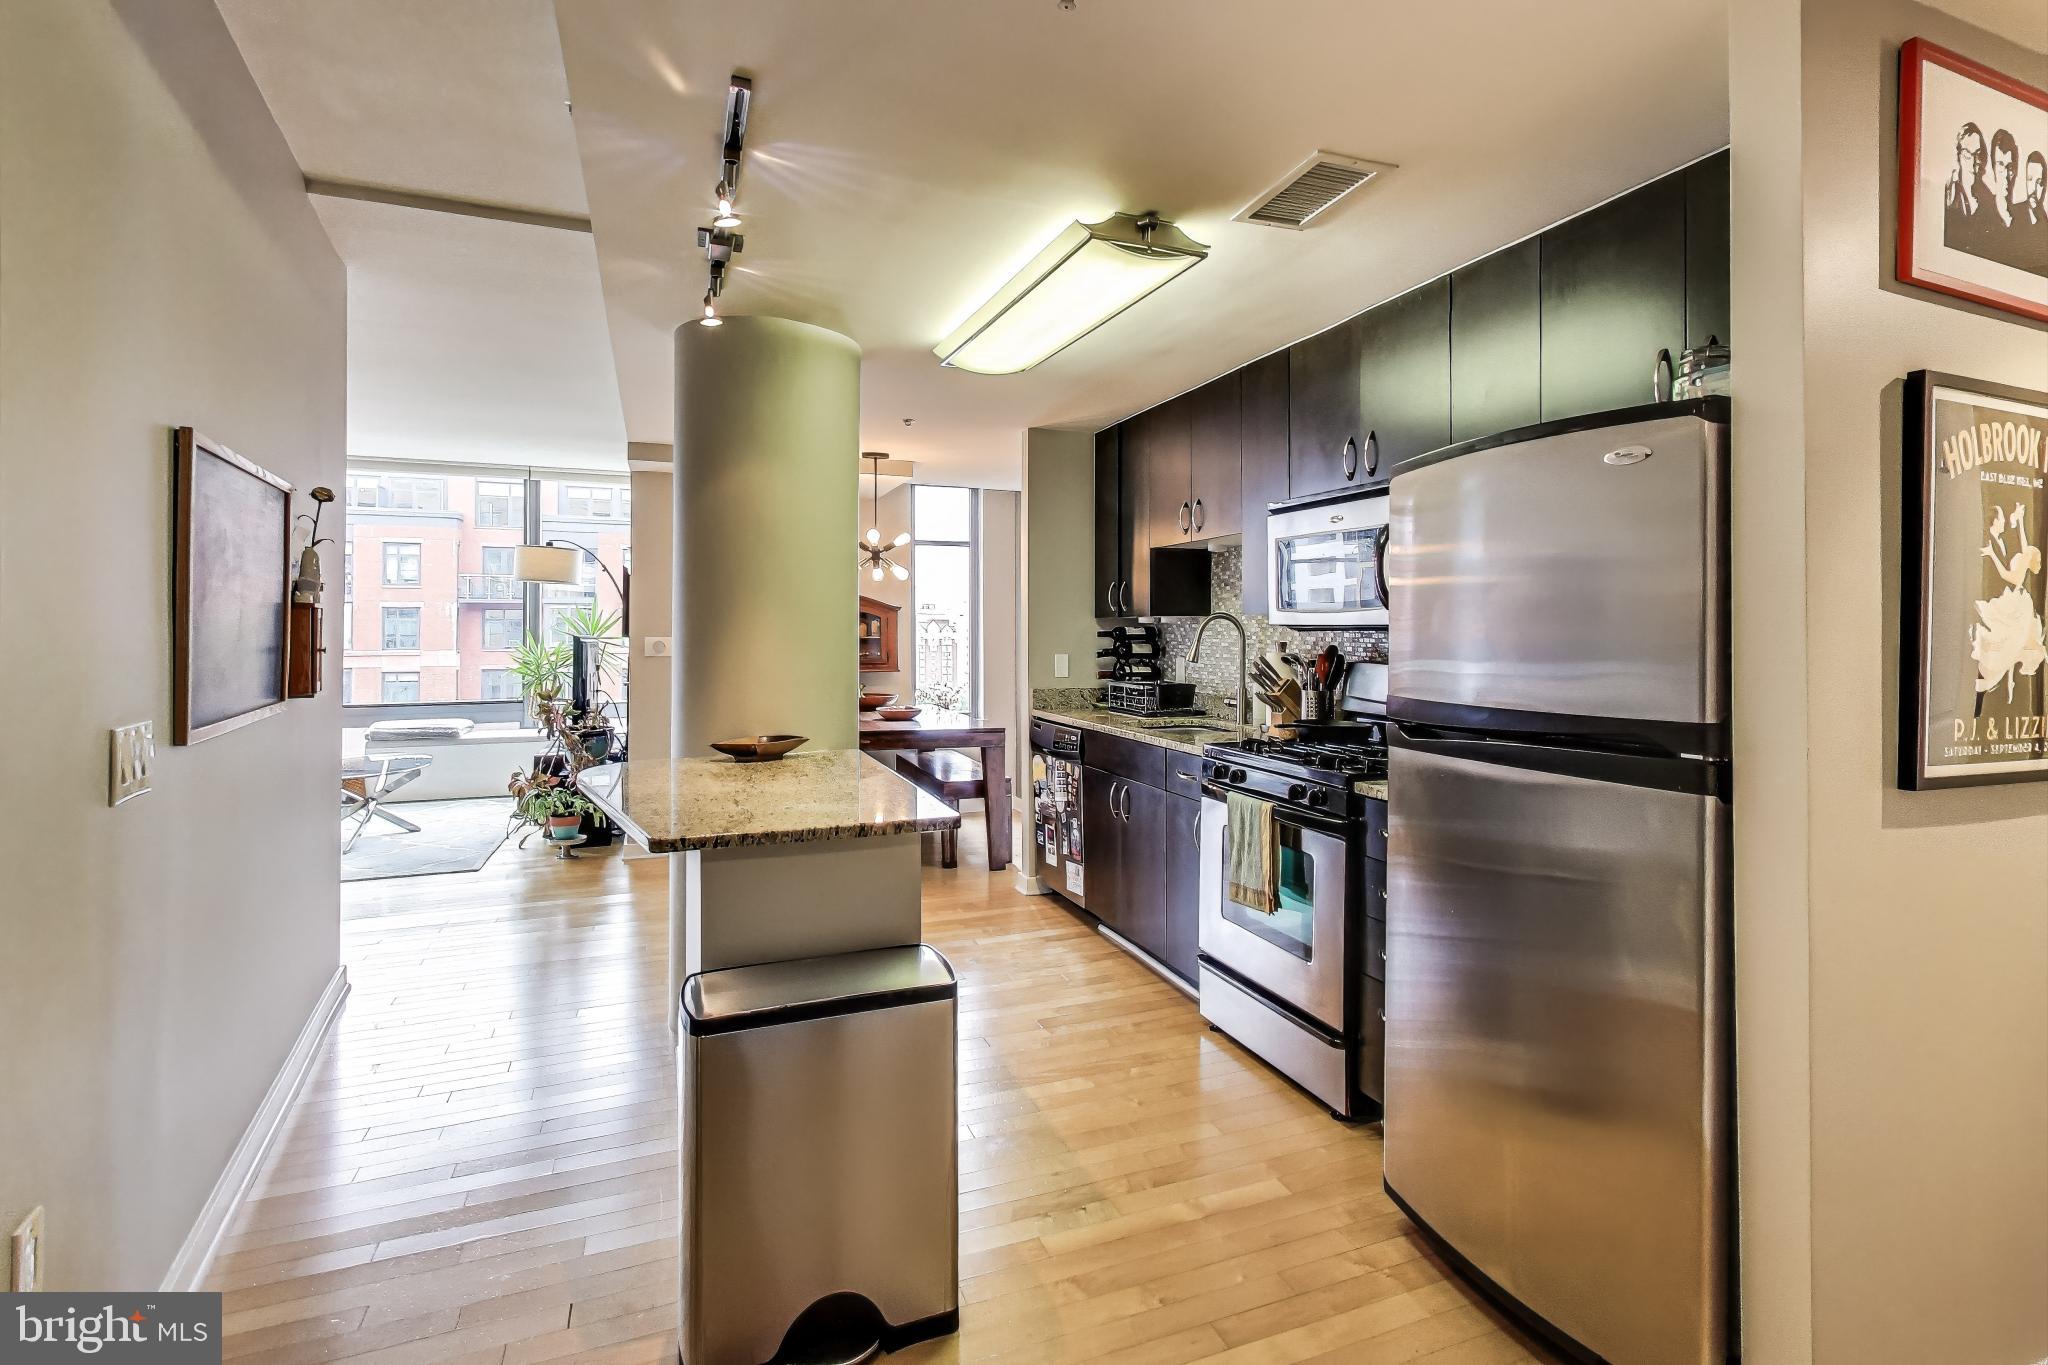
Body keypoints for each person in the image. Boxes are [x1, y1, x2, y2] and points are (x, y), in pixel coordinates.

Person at [1945, 122, 1991, 253]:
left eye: (1977, 154)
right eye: (1967, 154)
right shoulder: (1948, 192)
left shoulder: (1987, 198)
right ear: (1958, 155)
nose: (1973, 161)